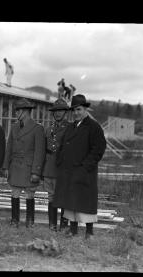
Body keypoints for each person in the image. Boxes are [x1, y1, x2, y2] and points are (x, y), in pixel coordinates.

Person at [53, 94, 107, 239]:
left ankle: (89, 232)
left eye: (79, 110)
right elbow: (62, 146)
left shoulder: (94, 127)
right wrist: (59, 161)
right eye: (74, 110)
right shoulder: (71, 127)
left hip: (84, 171)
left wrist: (85, 167)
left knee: (86, 202)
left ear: (85, 109)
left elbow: (98, 149)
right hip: (69, 171)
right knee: (71, 202)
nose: (76, 113)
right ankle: (73, 230)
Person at [3, 99, 44, 228]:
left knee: (29, 194)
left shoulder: (37, 128)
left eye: (18, 110)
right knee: (14, 193)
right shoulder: (14, 127)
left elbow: (39, 152)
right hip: (15, 166)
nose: (16, 113)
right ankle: (15, 220)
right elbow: (9, 147)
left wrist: (36, 171)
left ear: (26, 112)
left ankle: (29, 221)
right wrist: (5, 166)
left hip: (28, 168)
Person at [42, 98, 71, 231]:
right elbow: (44, 150)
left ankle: (64, 227)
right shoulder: (48, 129)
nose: (58, 113)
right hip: (49, 168)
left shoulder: (71, 128)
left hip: (63, 169)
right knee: (51, 197)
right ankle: (52, 225)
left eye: (61, 111)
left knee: (64, 197)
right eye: (56, 111)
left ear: (65, 113)